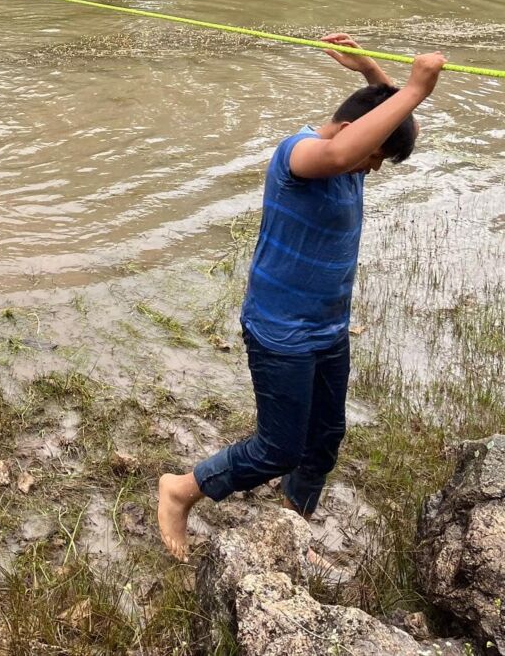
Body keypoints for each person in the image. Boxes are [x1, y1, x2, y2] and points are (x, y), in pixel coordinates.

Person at [156, 33, 446, 562]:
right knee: (278, 449)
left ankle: (293, 520)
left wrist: (373, 75)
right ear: (355, 135)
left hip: (329, 327)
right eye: (374, 156)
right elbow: (344, 149)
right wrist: (414, 88)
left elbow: (389, 129)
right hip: (280, 328)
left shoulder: (353, 157)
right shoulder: (304, 155)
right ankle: (180, 490)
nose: (372, 167)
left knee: (325, 437)